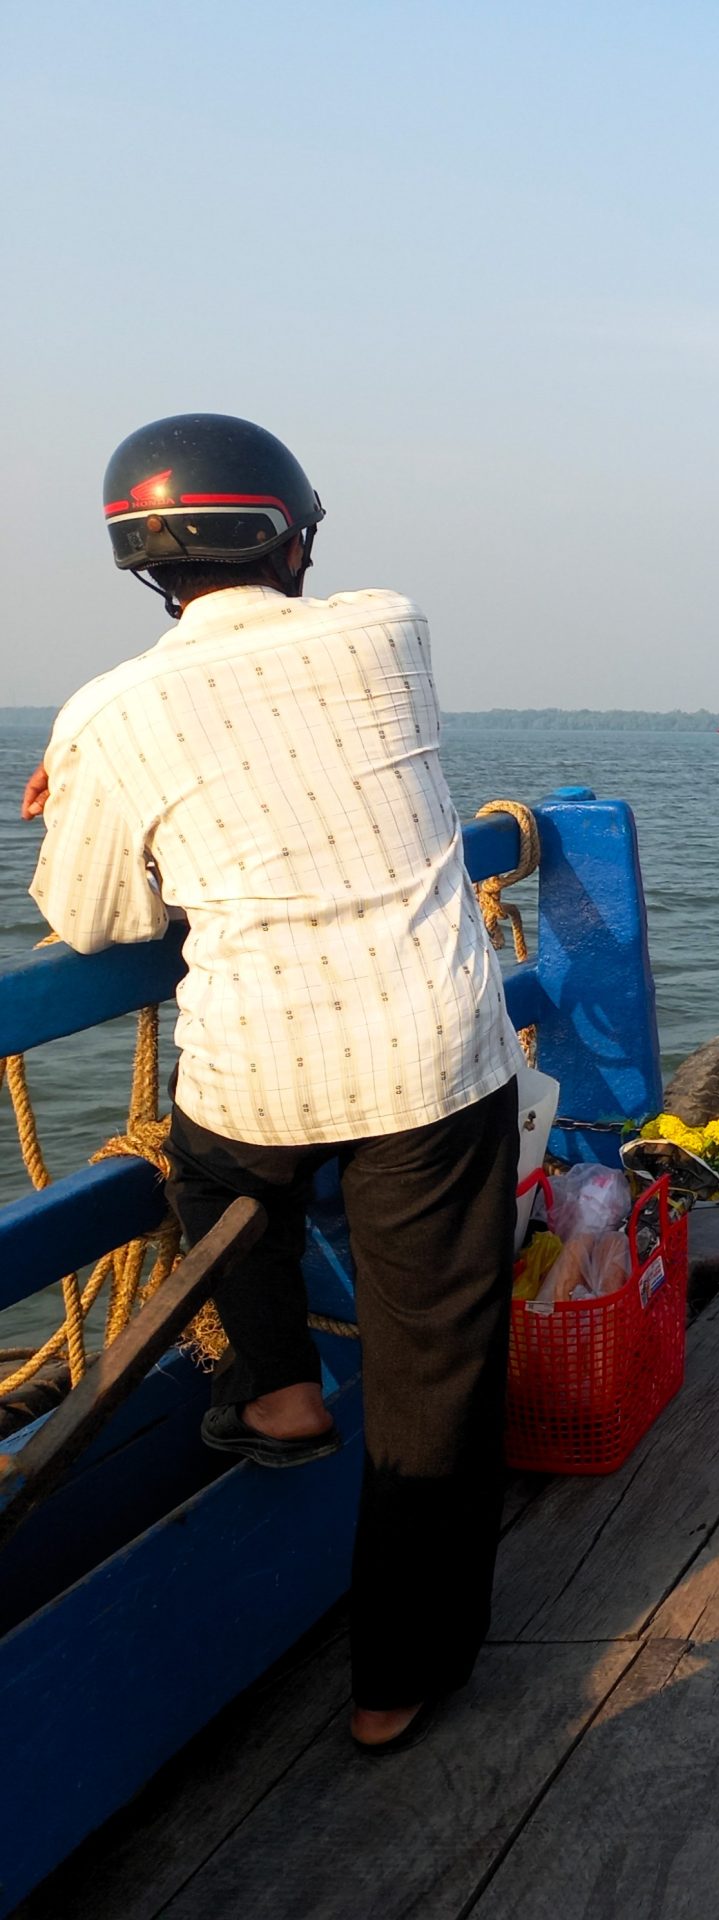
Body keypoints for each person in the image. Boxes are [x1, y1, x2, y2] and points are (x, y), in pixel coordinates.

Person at [20, 414, 520, 1754]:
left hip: (258, 1072)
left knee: (219, 1169)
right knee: (441, 1376)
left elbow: (93, 916)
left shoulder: (111, 714)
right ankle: (393, 1685)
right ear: (295, 534)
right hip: (433, 1058)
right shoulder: (387, 630)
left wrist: (78, 786)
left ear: (140, 565)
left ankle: (279, 1383)